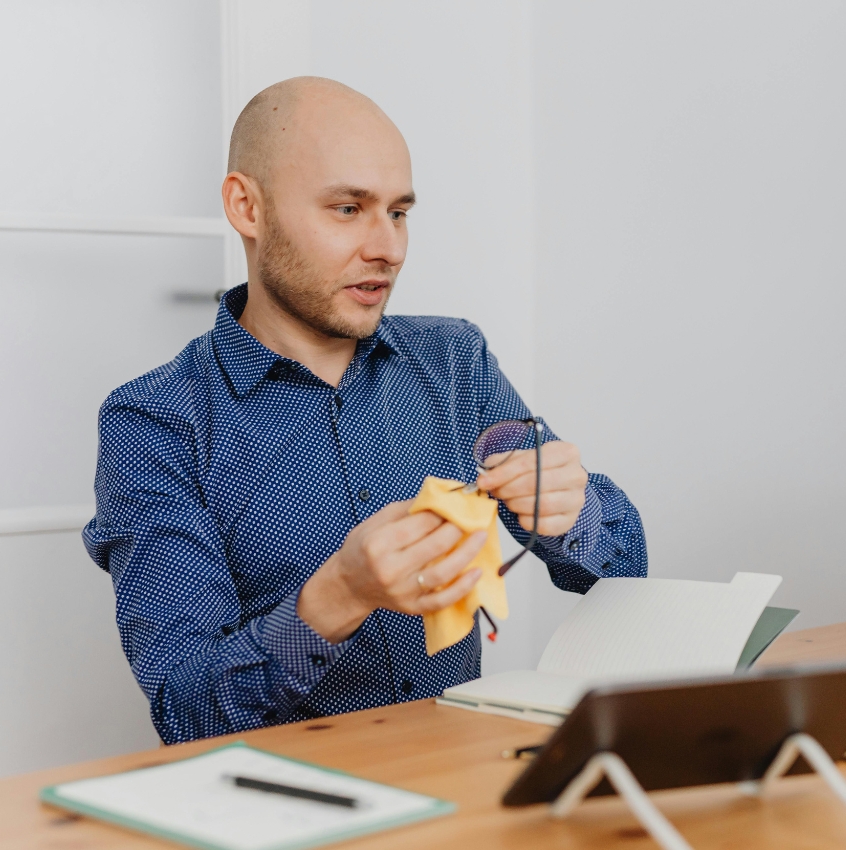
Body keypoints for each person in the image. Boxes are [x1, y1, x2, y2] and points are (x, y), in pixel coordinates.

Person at [84, 77, 647, 744]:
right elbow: (187, 709)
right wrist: (339, 596)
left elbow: (622, 569)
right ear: (247, 207)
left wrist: (571, 513)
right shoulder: (155, 423)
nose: (390, 248)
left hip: (461, 785)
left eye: (399, 212)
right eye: (348, 209)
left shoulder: (453, 360)